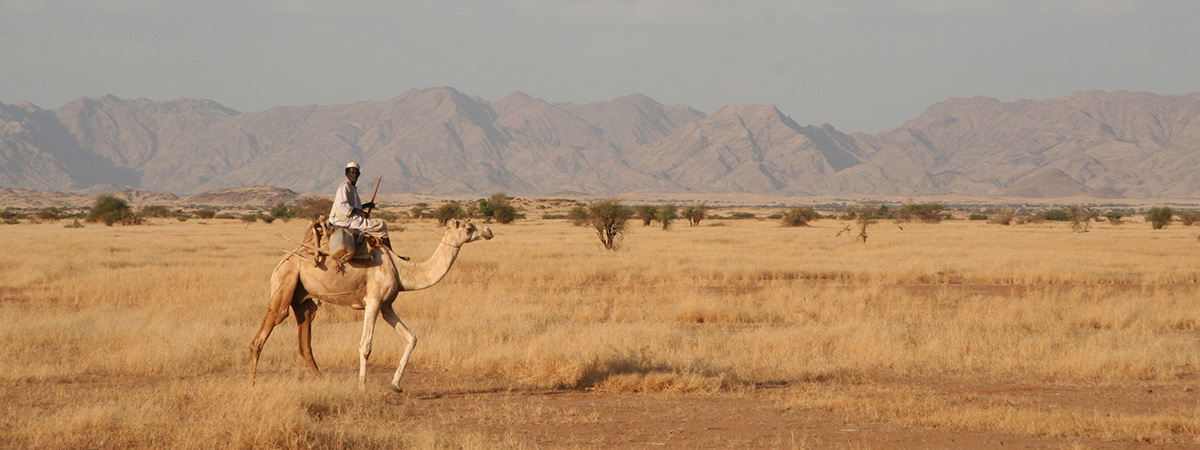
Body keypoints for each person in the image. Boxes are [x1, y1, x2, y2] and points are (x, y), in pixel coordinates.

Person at [329, 161, 391, 250]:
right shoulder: (344, 187)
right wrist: (360, 212)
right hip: (344, 220)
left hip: (350, 219)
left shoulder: (352, 188)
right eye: (351, 173)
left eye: (356, 173)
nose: (354, 175)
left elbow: (354, 207)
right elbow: (343, 206)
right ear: (346, 174)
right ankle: (391, 253)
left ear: (359, 174)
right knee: (381, 225)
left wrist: (366, 205)